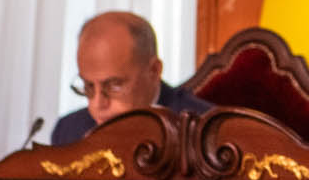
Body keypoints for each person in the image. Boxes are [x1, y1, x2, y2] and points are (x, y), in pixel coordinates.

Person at [49, 11, 209, 145]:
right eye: (88, 86)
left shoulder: (206, 129)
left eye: (114, 85)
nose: (97, 105)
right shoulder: (68, 131)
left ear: (154, 70)